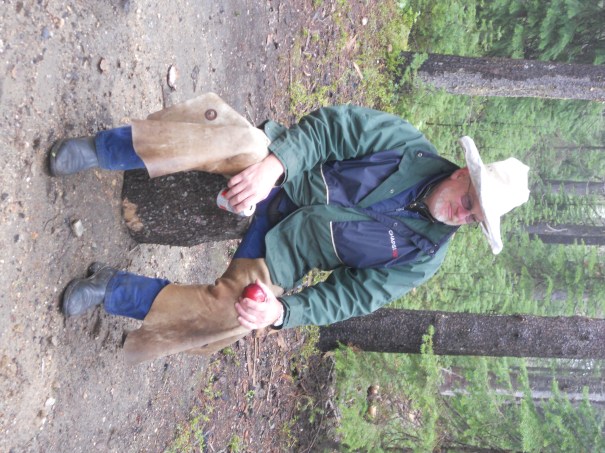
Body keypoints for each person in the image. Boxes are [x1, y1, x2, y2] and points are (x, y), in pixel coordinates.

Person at [49, 93, 530, 364]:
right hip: (281, 173)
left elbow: (353, 297)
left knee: (235, 318)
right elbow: (329, 128)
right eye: (470, 202)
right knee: (242, 141)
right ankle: (101, 149)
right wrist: (274, 166)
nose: (464, 215)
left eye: (475, 219)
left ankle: (111, 288)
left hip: (283, 249)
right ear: (463, 174)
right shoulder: (406, 145)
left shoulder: (423, 255)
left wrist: (283, 312)